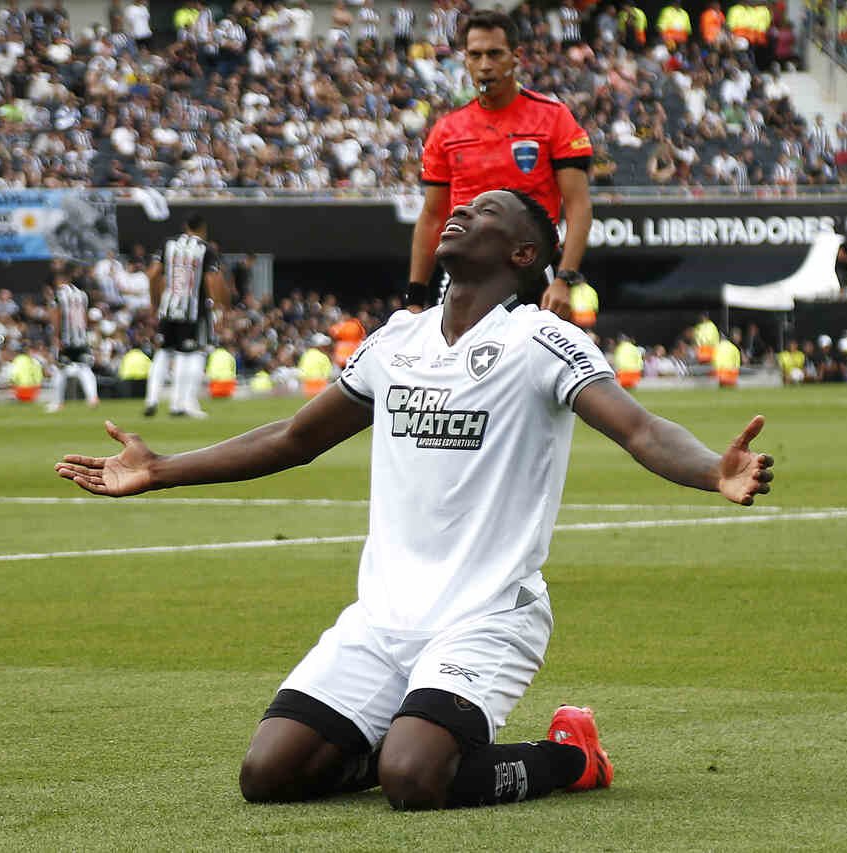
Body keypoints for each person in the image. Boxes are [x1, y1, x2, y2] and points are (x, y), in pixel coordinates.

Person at [55, 189, 775, 812]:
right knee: (268, 773)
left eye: (485, 211)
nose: (460, 211)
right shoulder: (396, 340)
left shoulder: (539, 339)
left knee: (414, 778)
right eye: (460, 206)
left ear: (525, 254)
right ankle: (401, 731)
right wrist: (162, 468)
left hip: (487, 615)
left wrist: (713, 469)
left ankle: (570, 755)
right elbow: (294, 437)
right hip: (382, 617)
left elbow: (640, 428)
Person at [408, 10, 593, 320]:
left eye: (494, 54)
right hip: (463, 268)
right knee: (453, 364)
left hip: (530, 265)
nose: (484, 65)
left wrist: (565, 278)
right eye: (475, 55)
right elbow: (431, 217)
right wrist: (415, 296)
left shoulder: (554, 118)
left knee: (532, 366)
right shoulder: (446, 130)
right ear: (465, 59)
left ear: (516, 56)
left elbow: (579, 206)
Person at [143, 215, 229, 418]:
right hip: (193, 311)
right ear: (203, 228)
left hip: (168, 307)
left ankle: (152, 399)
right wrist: (217, 306)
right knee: (190, 354)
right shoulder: (205, 249)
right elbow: (211, 280)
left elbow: (153, 274)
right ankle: (179, 403)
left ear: (185, 226)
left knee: (163, 353)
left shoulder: (168, 243)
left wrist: (154, 302)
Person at [44, 272, 99, 412]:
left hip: (66, 339)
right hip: (81, 338)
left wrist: (56, 337)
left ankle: (58, 402)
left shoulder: (59, 294)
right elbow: (86, 317)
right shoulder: (82, 295)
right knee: (85, 368)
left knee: (60, 370)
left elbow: (57, 315)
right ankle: (92, 398)